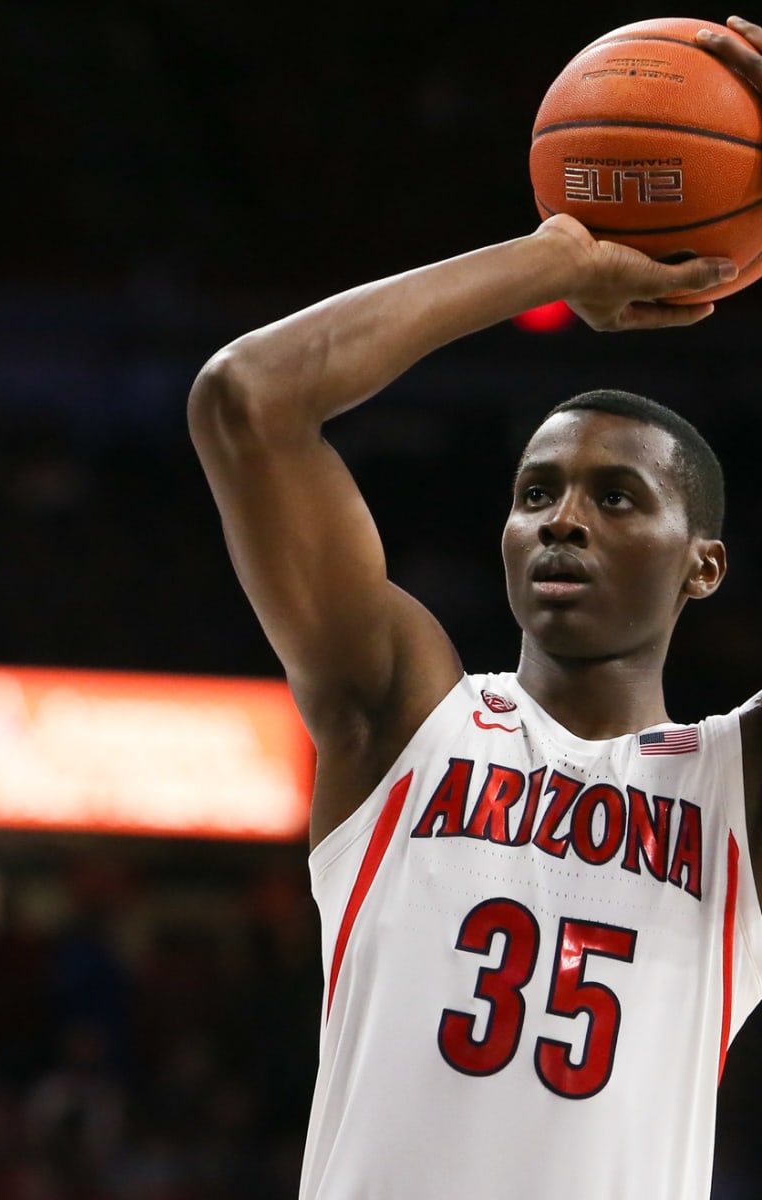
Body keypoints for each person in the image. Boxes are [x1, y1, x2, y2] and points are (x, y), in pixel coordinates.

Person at [188, 16, 762, 1200]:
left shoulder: (735, 789)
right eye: (538, 492)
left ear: (702, 564)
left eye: (617, 497)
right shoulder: (401, 720)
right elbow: (249, 400)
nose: (564, 520)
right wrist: (556, 261)